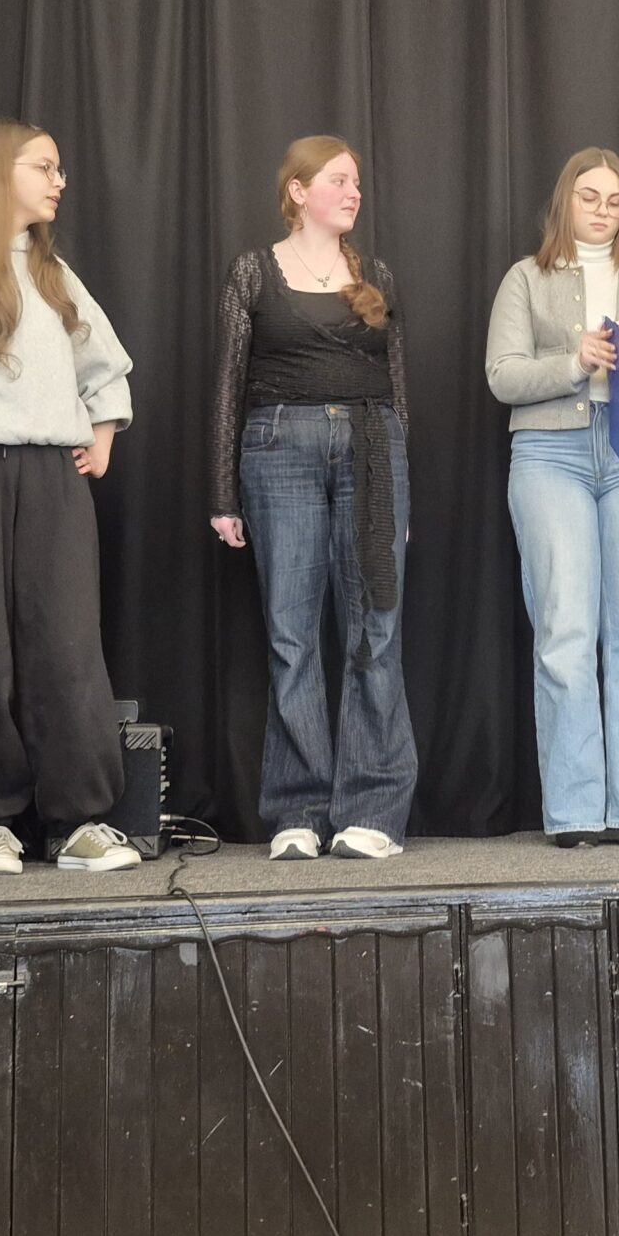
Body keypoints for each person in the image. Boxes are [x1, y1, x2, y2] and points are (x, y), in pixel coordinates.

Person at [0, 118, 140, 876]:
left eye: (60, 168)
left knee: (66, 642)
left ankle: (79, 819)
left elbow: (104, 362)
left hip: (52, 475)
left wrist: (102, 433)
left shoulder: (53, 272)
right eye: (44, 166)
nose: (59, 181)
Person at [485, 148, 619, 847]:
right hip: (550, 455)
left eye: (615, 200)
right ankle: (575, 812)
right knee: (565, 630)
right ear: (565, 201)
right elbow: (502, 376)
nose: (604, 210)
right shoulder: (526, 277)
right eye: (590, 197)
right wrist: (573, 361)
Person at [208, 136, 415, 861]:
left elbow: (397, 386)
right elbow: (229, 382)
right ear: (297, 191)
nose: (354, 192)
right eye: (338, 180)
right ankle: (296, 810)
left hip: (372, 447)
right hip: (278, 448)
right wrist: (222, 492)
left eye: (356, 182)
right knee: (290, 633)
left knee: (374, 627)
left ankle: (372, 810)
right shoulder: (254, 271)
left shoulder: (376, 274)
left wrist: (402, 481)